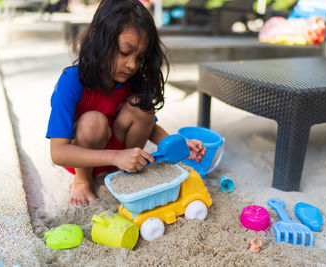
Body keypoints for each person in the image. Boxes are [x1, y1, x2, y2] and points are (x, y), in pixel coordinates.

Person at [46, 0, 206, 207]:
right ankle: (82, 180)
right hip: (85, 157)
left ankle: (126, 173)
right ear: (97, 37)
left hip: (122, 155)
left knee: (143, 106)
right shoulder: (72, 81)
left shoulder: (133, 79)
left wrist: (178, 144)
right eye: (124, 52)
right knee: (92, 122)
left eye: (139, 57)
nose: (132, 65)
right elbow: (58, 152)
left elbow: (148, 125)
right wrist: (116, 156)